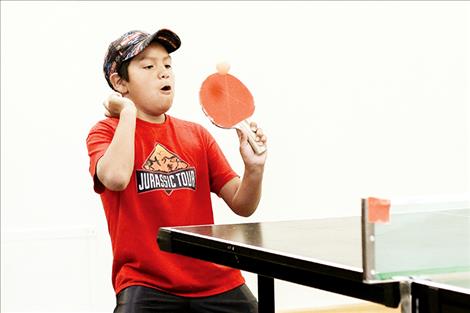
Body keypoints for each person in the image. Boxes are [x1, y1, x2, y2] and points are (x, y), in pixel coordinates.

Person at [86, 28, 267, 313]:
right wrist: (129, 113)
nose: (164, 72)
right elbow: (117, 178)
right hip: (145, 283)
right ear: (119, 82)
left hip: (216, 281)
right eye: (148, 65)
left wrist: (254, 169)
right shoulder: (105, 132)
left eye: (167, 64)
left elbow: (243, 205)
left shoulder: (196, 135)